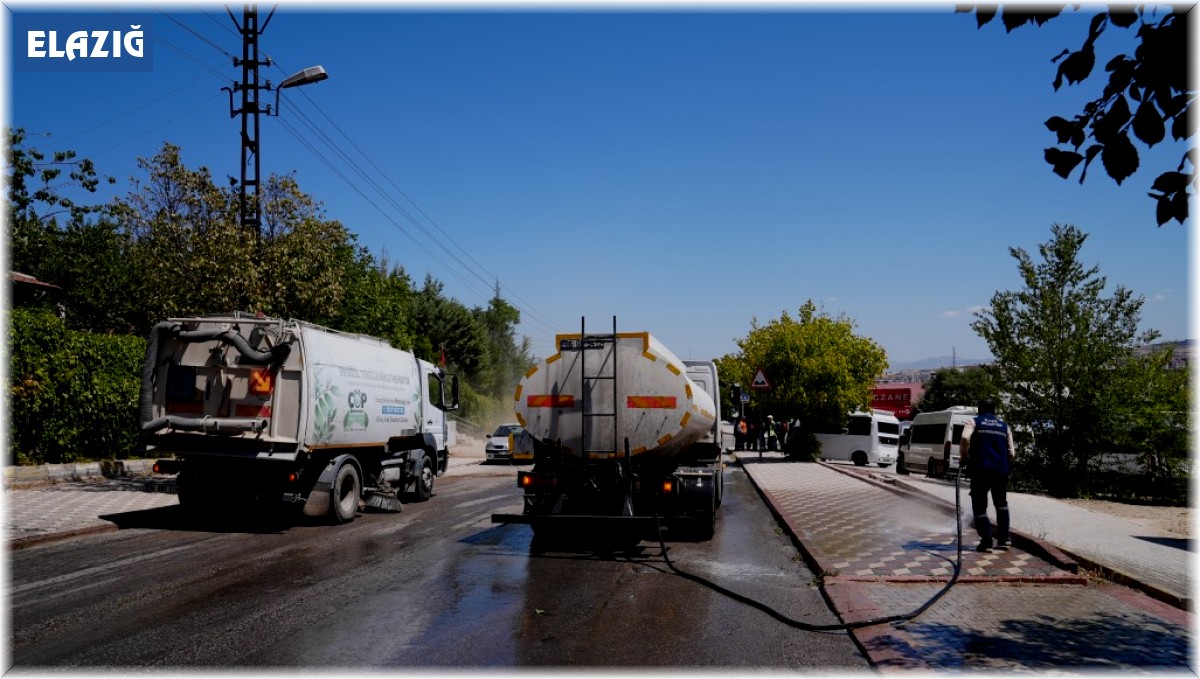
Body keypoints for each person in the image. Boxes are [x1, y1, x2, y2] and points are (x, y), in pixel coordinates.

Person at [959, 399, 1016, 552]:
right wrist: (1002, 461)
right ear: (994, 411)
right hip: (1000, 471)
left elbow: (965, 438)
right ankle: (1004, 539)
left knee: (979, 506)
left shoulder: (973, 422)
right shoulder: (1004, 426)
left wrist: (964, 457)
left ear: (979, 410)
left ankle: (986, 541)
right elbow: (1012, 452)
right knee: (1001, 504)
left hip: (980, 471)